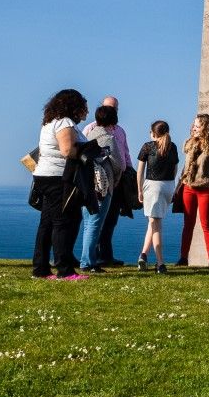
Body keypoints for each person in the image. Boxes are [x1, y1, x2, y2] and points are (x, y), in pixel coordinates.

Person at [32, 88, 106, 280]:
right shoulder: (65, 123)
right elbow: (67, 150)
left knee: (47, 224)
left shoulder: (50, 122)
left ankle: (40, 269)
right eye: (83, 108)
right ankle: (64, 270)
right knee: (63, 223)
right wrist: (89, 151)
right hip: (59, 178)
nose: (86, 113)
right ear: (72, 106)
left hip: (44, 175)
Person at [87, 95, 134, 267]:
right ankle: (96, 256)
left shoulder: (120, 131)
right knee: (97, 219)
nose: (112, 111)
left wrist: (128, 172)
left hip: (119, 180)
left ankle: (106, 255)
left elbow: (125, 153)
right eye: (109, 108)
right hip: (100, 181)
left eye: (115, 108)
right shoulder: (90, 129)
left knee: (111, 218)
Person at [78, 104, 121, 273]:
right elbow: (119, 164)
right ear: (113, 121)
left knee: (88, 224)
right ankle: (88, 262)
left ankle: (85, 259)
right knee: (96, 224)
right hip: (103, 186)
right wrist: (116, 178)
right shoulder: (109, 139)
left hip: (87, 183)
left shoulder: (86, 135)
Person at [178, 113, 209, 268]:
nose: (194, 127)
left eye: (198, 125)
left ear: (206, 126)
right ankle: (183, 258)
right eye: (194, 125)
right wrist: (179, 185)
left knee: (206, 224)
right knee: (188, 224)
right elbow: (185, 166)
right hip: (188, 187)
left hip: (206, 188)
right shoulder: (189, 143)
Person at [135, 120, 177, 273]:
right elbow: (175, 168)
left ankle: (160, 263)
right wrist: (171, 187)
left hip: (153, 186)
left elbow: (140, 171)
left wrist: (139, 190)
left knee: (156, 225)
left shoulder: (148, 146)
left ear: (153, 133)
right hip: (168, 186)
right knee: (153, 223)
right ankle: (143, 255)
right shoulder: (172, 147)